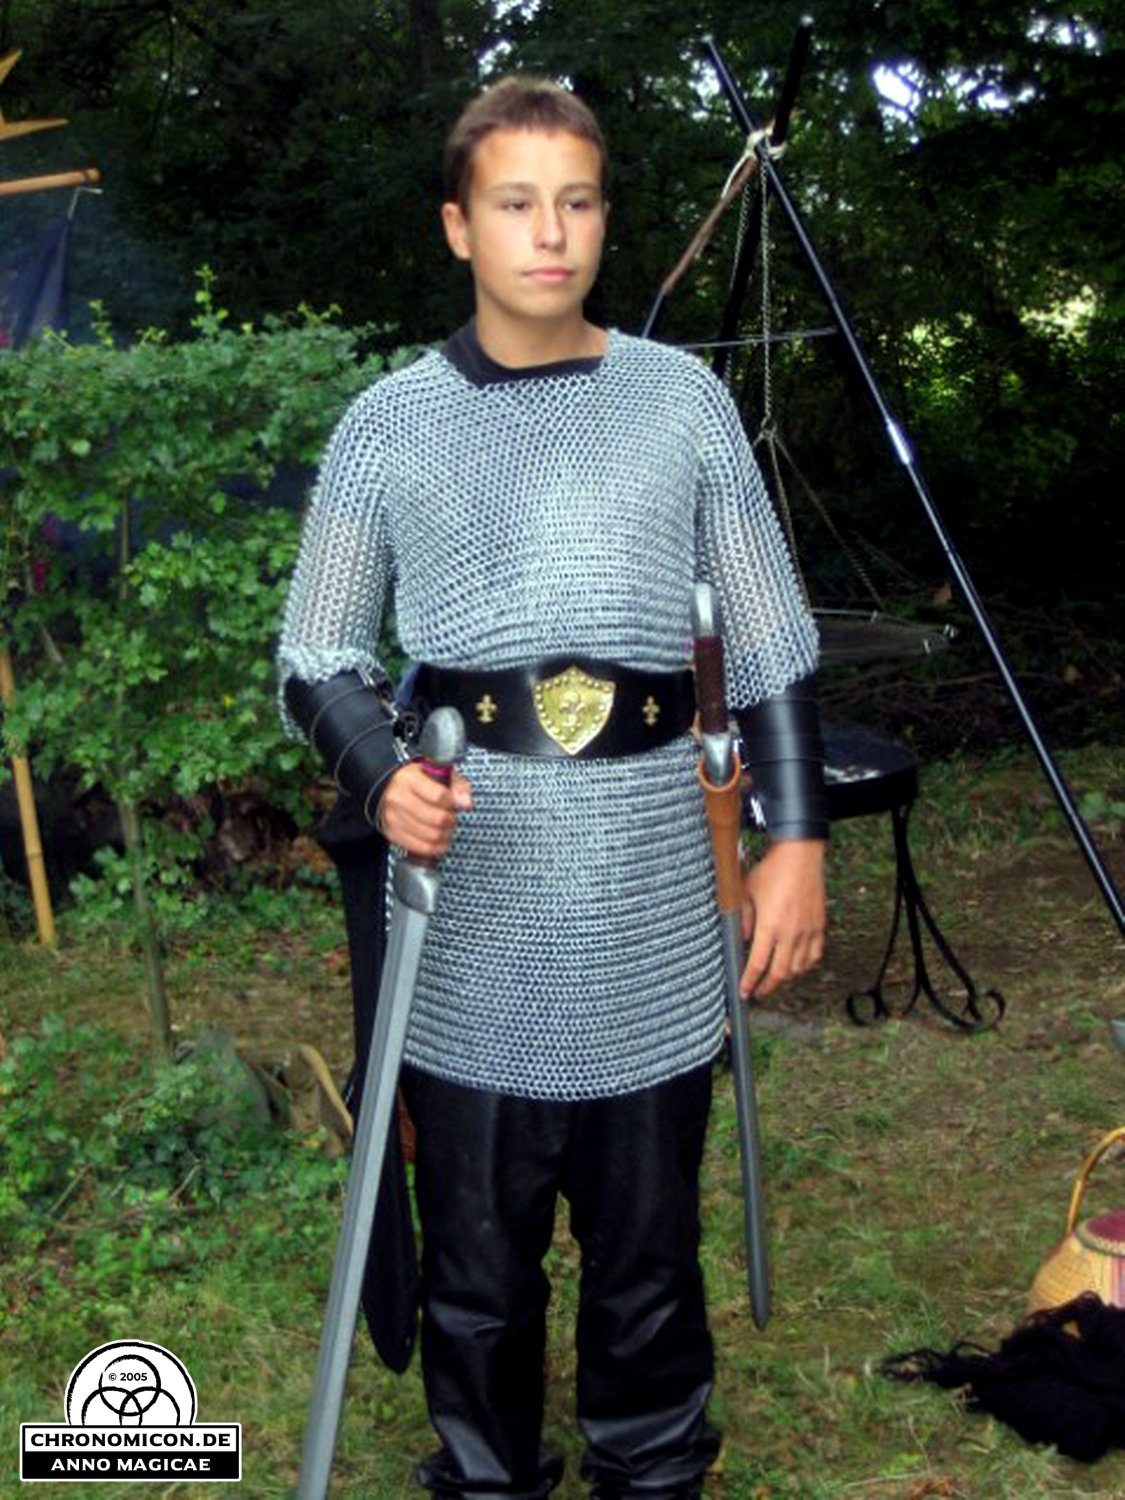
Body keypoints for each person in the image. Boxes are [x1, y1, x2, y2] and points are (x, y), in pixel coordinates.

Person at [279, 75, 827, 1500]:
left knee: (649, 1254)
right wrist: (381, 775)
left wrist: (797, 839)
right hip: (478, 906)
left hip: (649, 886)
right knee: (479, 1263)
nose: (550, 232)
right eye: (516, 203)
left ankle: (652, 1466)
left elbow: (767, 637)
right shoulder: (391, 424)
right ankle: (487, 1473)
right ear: (458, 226)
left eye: (576, 201)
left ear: (602, 219)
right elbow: (317, 656)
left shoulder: (682, 403)